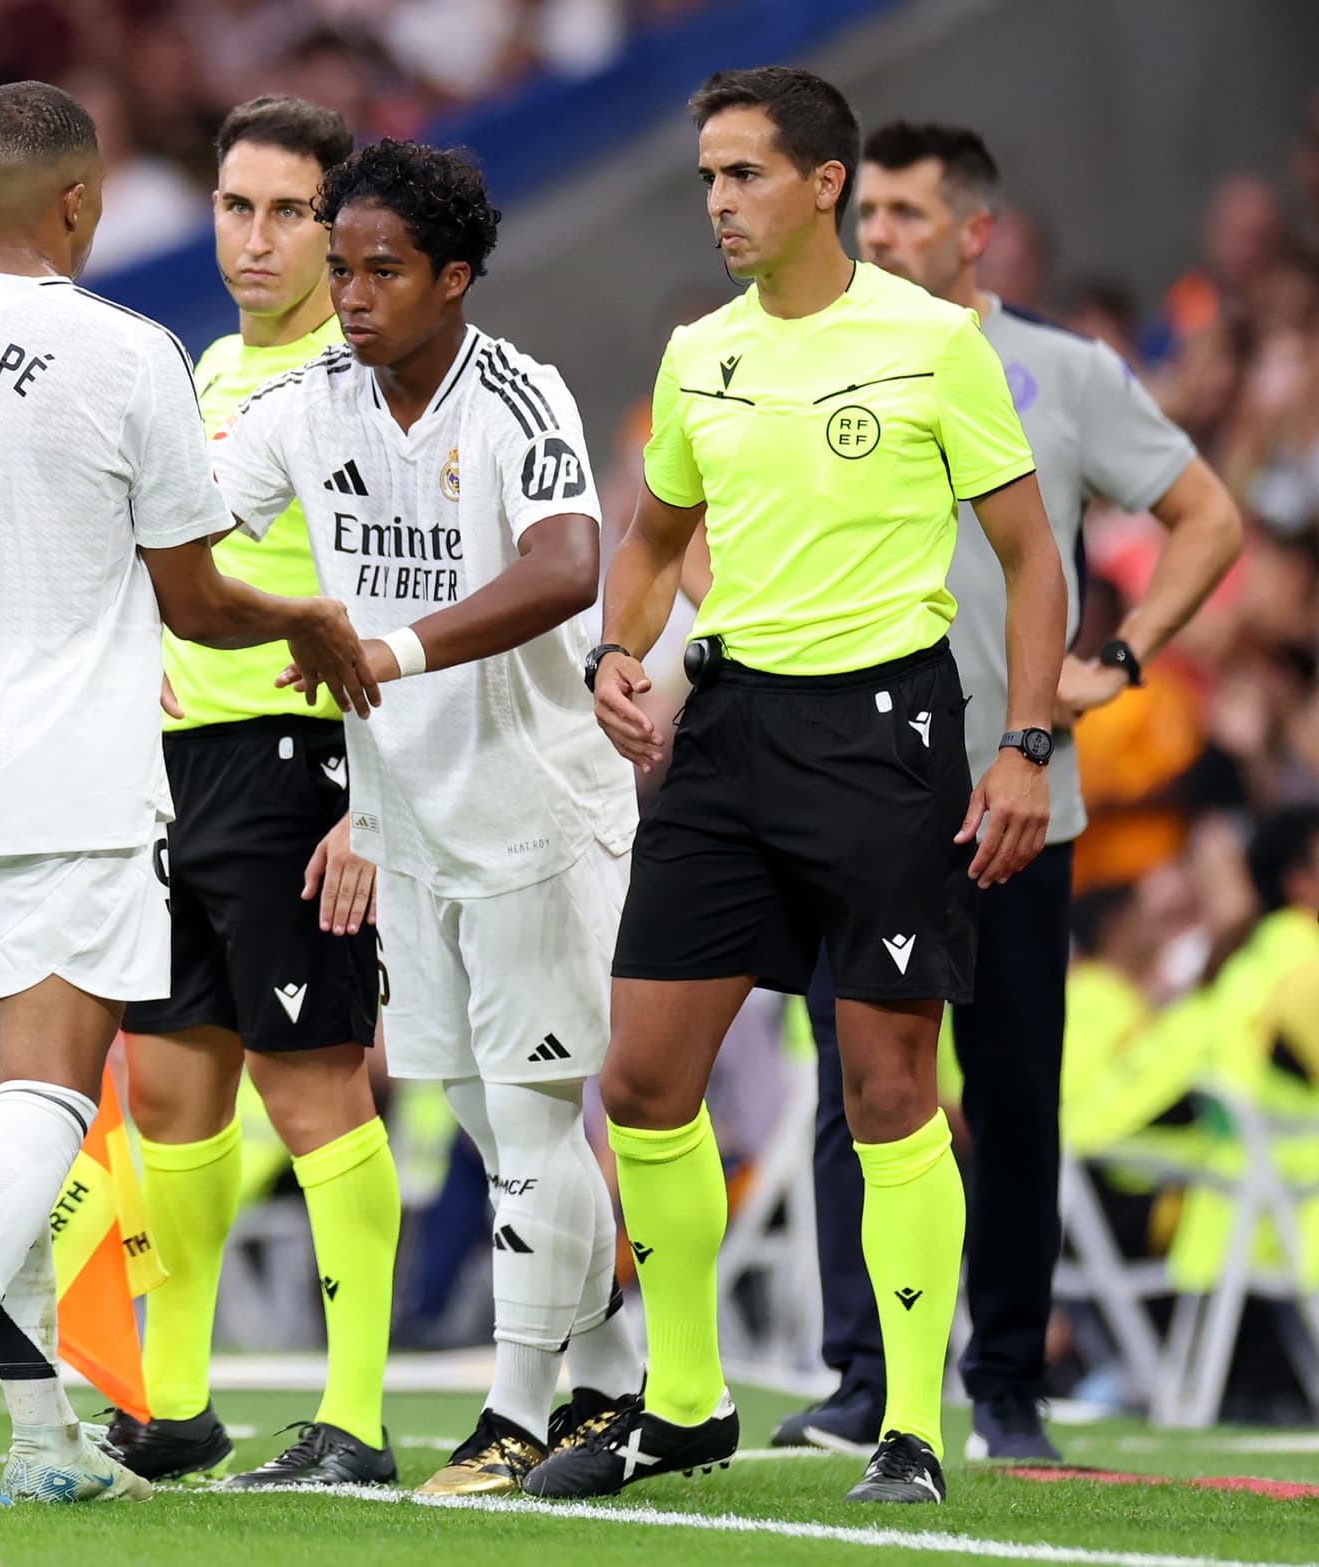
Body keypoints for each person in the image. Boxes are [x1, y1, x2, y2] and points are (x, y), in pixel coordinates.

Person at [0, 80, 372, 1512]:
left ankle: (42, 1428)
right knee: (55, 1098)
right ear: (79, 201)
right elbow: (193, 595)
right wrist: (305, 621)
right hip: (70, 770)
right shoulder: (129, 353)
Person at [555, 68, 1068, 1506]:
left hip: (885, 738)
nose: (718, 201)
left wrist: (1026, 744)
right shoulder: (697, 352)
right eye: (708, 176)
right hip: (722, 736)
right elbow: (654, 539)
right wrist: (615, 646)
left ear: (824, 184)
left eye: (744, 175)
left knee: (890, 1082)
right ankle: (687, 1399)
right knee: (644, 1076)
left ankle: (911, 1422)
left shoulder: (929, 344)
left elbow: (1033, 558)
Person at [770, 121, 1244, 1462]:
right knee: (848, 1087)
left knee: (1014, 1089)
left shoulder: (1062, 371)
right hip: (855, 792)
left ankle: (1007, 1384)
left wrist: (1124, 658)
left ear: (977, 232)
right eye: (870, 215)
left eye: (912, 216)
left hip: (1019, 791)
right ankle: (861, 1377)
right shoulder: (811, 356)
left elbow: (1206, 513)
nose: (881, 238)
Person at [212, 138, 643, 1498]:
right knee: (490, 1118)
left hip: (534, 809)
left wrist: (384, 650)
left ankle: (514, 1419)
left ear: (455, 277)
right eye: (340, 267)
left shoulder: (519, 395)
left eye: (379, 269)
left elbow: (571, 563)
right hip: (407, 818)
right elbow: (194, 530)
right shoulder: (306, 403)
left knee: (526, 1120)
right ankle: (619, 1384)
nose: (347, 292)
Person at [105, 96, 399, 1491]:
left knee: (317, 1091)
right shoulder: (203, 367)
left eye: (289, 211)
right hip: (175, 779)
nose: (257, 237)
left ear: (341, 230)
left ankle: (352, 1413)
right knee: (168, 1095)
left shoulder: (368, 381)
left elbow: (414, 596)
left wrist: (373, 801)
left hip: (304, 771)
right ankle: (176, 1402)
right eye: (236, 206)